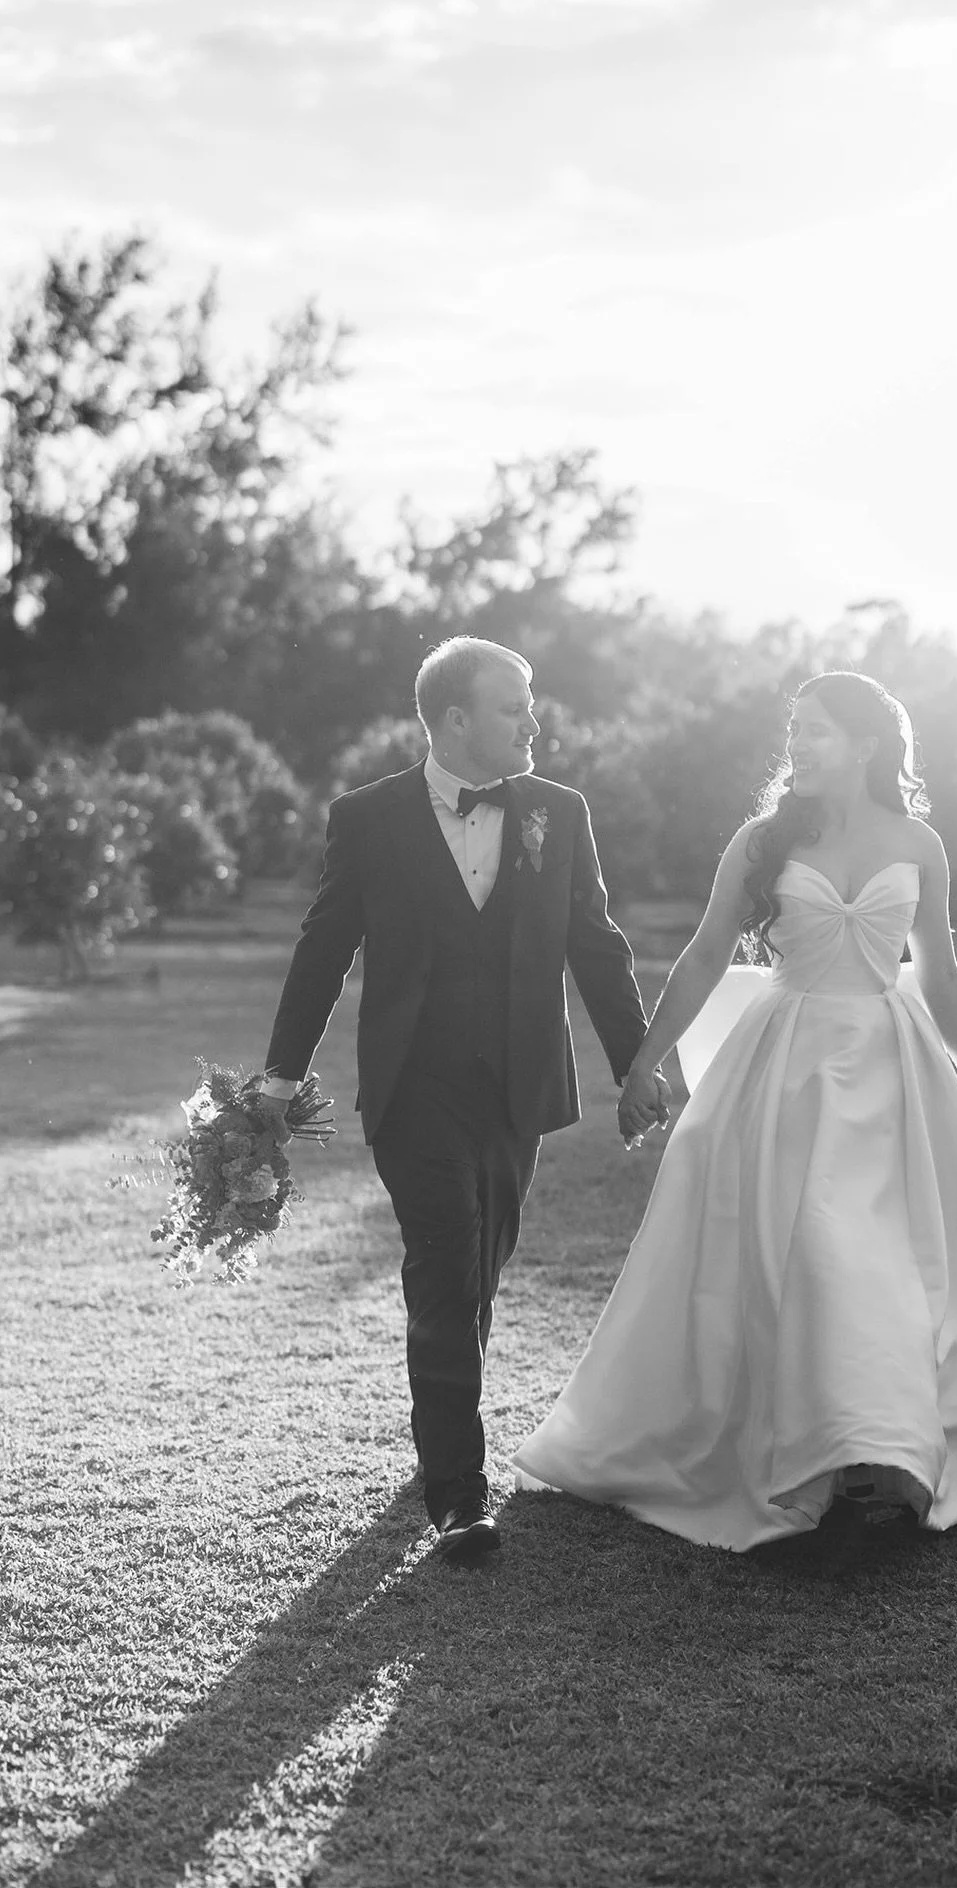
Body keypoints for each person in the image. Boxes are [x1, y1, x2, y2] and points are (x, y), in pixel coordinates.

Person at [514, 671, 957, 1549]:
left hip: (896, 1072)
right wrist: (644, 1061)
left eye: (816, 729)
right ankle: (841, 1460)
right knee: (819, 1249)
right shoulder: (761, 842)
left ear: (867, 744)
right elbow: (704, 956)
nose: (798, 744)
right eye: (794, 729)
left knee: (882, 1260)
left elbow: (940, 976)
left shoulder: (920, 844)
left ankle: (883, 1466)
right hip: (788, 1068)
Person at [258, 638, 663, 1562]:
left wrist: (634, 1064)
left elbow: (596, 944)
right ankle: (456, 1491)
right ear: (454, 719)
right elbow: (324, 948)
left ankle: (442, 1438)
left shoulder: (559, 812)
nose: (533, 722)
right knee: (444, 1264)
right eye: (514, 706)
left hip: (520, 1085)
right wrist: (280, 1079)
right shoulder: (368, 818)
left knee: (480, 1266)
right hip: (415, 1084)